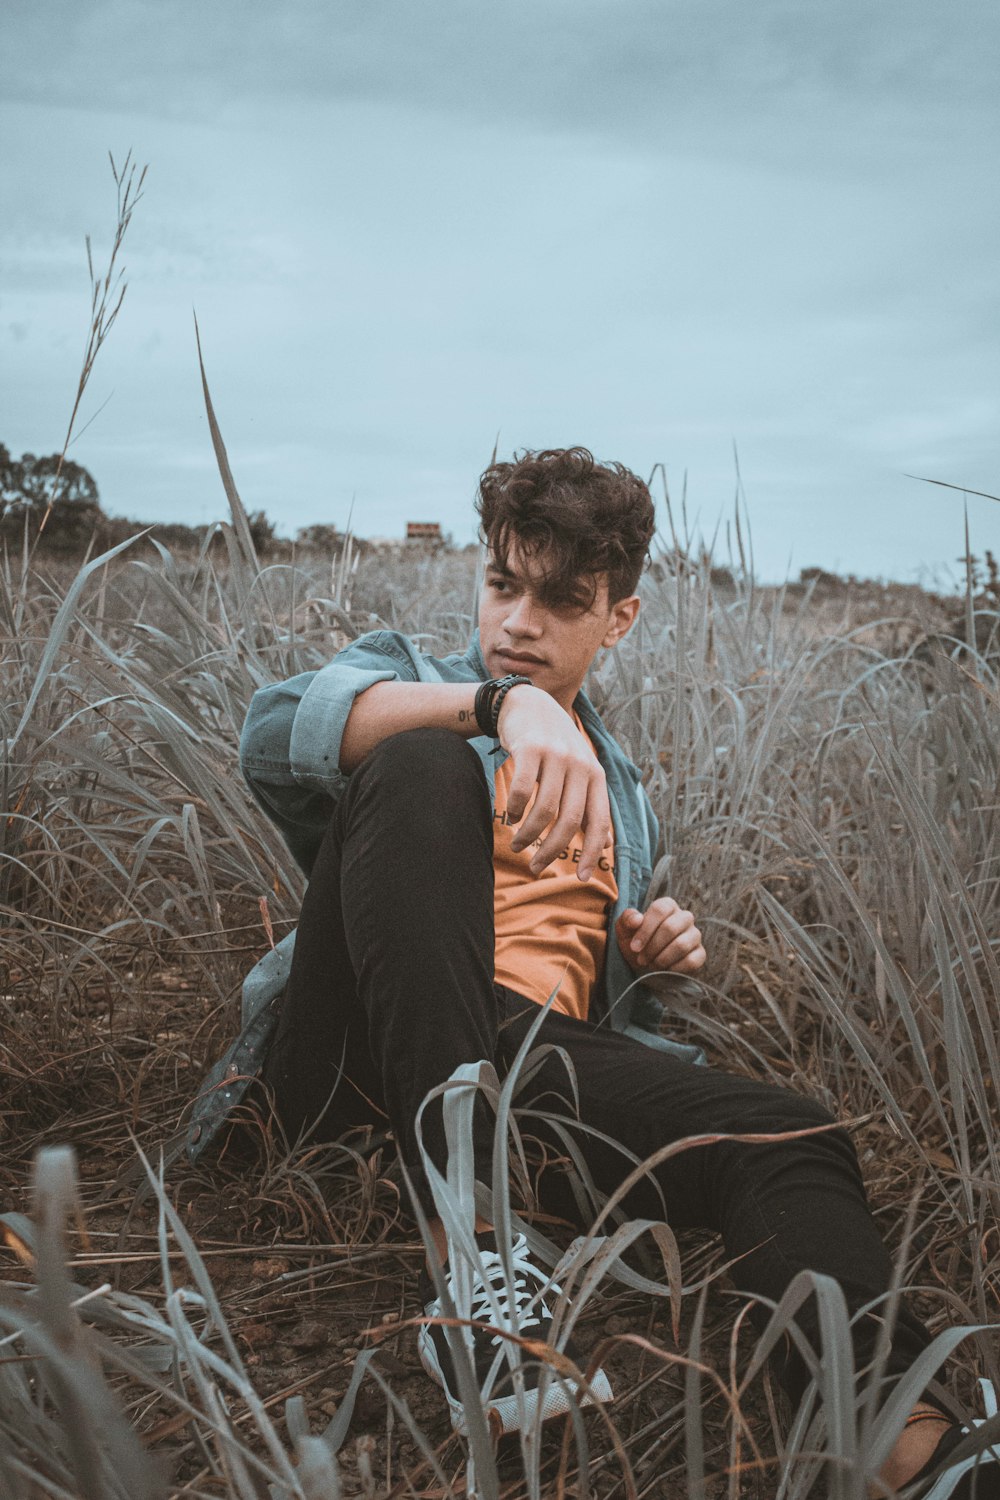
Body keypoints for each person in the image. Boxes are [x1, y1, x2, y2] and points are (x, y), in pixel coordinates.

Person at [188, 448, 997, 1495]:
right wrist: (494, 709)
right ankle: (472, 1269)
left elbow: (578, 978)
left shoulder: (622, 798)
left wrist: (647, 955)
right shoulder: (418, 685)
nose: (518, 623)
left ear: (617, 618)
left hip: (529, 1074)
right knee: (422, 765)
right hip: (359, 1056)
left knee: (791, 1137)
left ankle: (918, 1448)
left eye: (560, 600)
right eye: (501, 586)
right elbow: (268, 734)